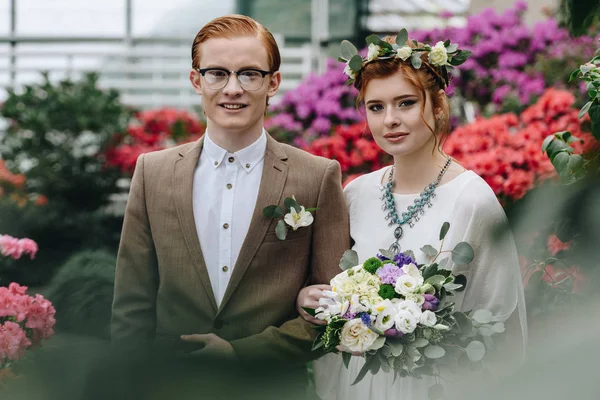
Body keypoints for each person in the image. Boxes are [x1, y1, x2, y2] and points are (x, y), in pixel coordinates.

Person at [111, 14, 349, 399]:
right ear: (196, 80)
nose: (232, 89)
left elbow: (333, 312)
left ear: (273, 82)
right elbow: (131, 305)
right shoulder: (151, 173)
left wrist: (242, 353)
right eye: (217, 73)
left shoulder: (317, 177)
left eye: (249, 74)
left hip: (271, 388)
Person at [297, 33, 527, 399]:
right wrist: (312, 299)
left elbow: (498, 325)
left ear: (437, 105)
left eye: (405, 103)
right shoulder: (356, 194)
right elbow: (331, 285)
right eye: (376, 107)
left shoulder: (472, 201)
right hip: (360, 384)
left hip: (438, 386)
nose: (390, 120)